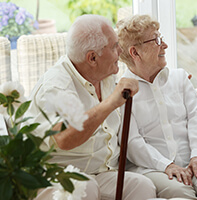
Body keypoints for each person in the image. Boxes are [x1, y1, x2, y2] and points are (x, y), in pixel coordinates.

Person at [25, 14, 156, 200]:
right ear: (92, 58)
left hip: (100, 172)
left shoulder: (105, 74)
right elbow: (64, 138)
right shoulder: (56, 87)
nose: (120, 50)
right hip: (56, 176)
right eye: (114, 47)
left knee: (141, 186)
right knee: (86, 187)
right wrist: (110, 102)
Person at [116, 14, 197, 200]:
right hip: (155, 168)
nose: (164, 45)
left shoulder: (179, 78)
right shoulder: (122, 91)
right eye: (156, 40)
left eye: (161, 37)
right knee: (179, 192)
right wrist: (166, 165)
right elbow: (132, 142)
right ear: (135, 53)